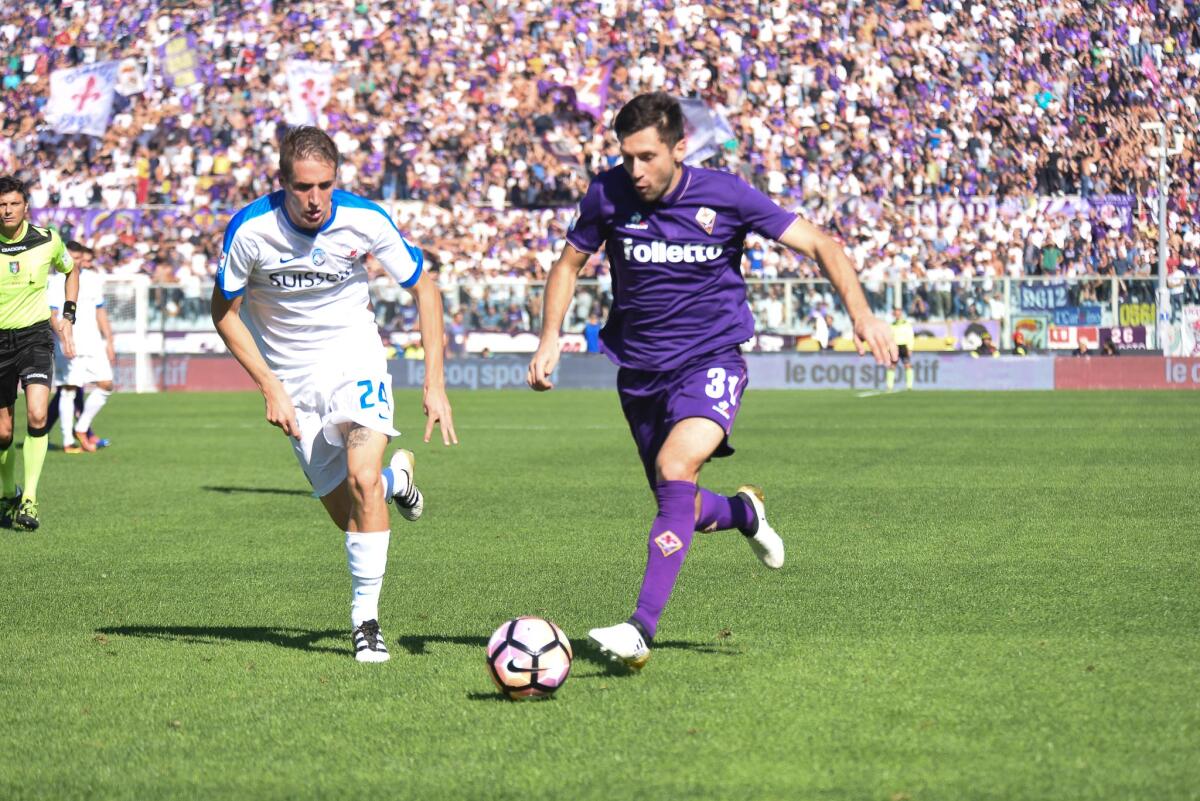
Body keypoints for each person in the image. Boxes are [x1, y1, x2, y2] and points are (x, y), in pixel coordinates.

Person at [526, 93, 895, 670]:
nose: (636, 170)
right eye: (627, 157)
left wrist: (863, 316)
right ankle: (746, 514)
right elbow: (569, 263)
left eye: (647, 156)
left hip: (711, 361)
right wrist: (550, 336)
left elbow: (821, 242)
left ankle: (639, 629)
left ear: (678, 149)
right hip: (639, 372)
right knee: (680, 503)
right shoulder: (607, 193)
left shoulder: (724, 194)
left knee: (676, 471)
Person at [211, 127, 457, 663]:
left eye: (324, 185)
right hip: (293, 382)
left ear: (336, 179)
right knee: (350, 511)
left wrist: (435, 383)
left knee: (362, 478)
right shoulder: (249, 230)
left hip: (356, 360)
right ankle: (399, 480)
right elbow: (223, 314)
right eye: (303, 187)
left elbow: (425, 288)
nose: (315, 199)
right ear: (282, 183)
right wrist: (269, 386)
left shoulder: (364, 219)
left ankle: (365, 622)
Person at [0, 175, 79, 531]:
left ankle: (29, 498)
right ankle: (8, 494)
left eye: (13, 203)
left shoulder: (47, 239)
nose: (7, 210)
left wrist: (68, 315)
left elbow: (70, 270)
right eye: (1, 205)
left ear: (25, 207)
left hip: (34, 337)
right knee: (2, 433)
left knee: (36, 414)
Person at [48, 242, 114, 454]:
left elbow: (100, 311)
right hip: (69, 342)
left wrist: (109, 339)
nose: (77, 261)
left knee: (106, 384)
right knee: (68, 390)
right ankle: (68, 441)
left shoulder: (93, 279)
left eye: (79, 257)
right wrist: (64, 338)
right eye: (73, 257)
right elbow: (52, 315)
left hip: (93, 342)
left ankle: (82, 427)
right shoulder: (56, 281)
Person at [887, 307, 915, 391]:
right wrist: (889, 348)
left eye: (899, 313)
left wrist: (910, 348)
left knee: (907, 365)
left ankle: (909, 386)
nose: (897, 314)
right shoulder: (891, 325)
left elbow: (910, 336)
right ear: (894, 314)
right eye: (896, 313)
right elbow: (889, 337)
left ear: (901, 314)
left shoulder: (906, 324)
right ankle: (889, 386)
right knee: (892, 365)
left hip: (903, 346)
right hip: (894, 347)